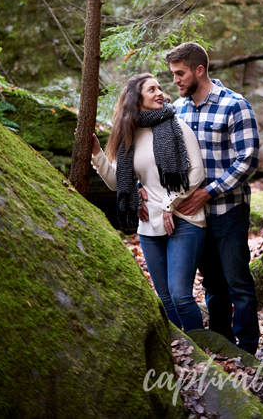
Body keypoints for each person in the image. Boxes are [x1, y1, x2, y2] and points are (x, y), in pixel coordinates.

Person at [90, 72, 206, 332]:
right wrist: (97, 154)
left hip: (184, 218)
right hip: (149, 224)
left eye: (159, 88)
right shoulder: (128, 135)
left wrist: (169, 203)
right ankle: (183, 354)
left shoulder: (176, 125)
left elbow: (196, 172)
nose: (160, 93)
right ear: (136, 99)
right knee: (164, 299)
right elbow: (117, 182)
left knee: (180, 296)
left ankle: (204, 355)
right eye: (151, 89)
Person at [165, 42, 260, 354]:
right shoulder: (176, 111)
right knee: (213, 287)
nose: (175, 80)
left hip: (229, 210)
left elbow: (248, 160)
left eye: (180, 73)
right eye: (173, 74)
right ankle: (224, 347)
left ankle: (247, 352)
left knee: (239, 285)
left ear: (199, 70)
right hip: (195, 217)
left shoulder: (235, 106)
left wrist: (208, 191)